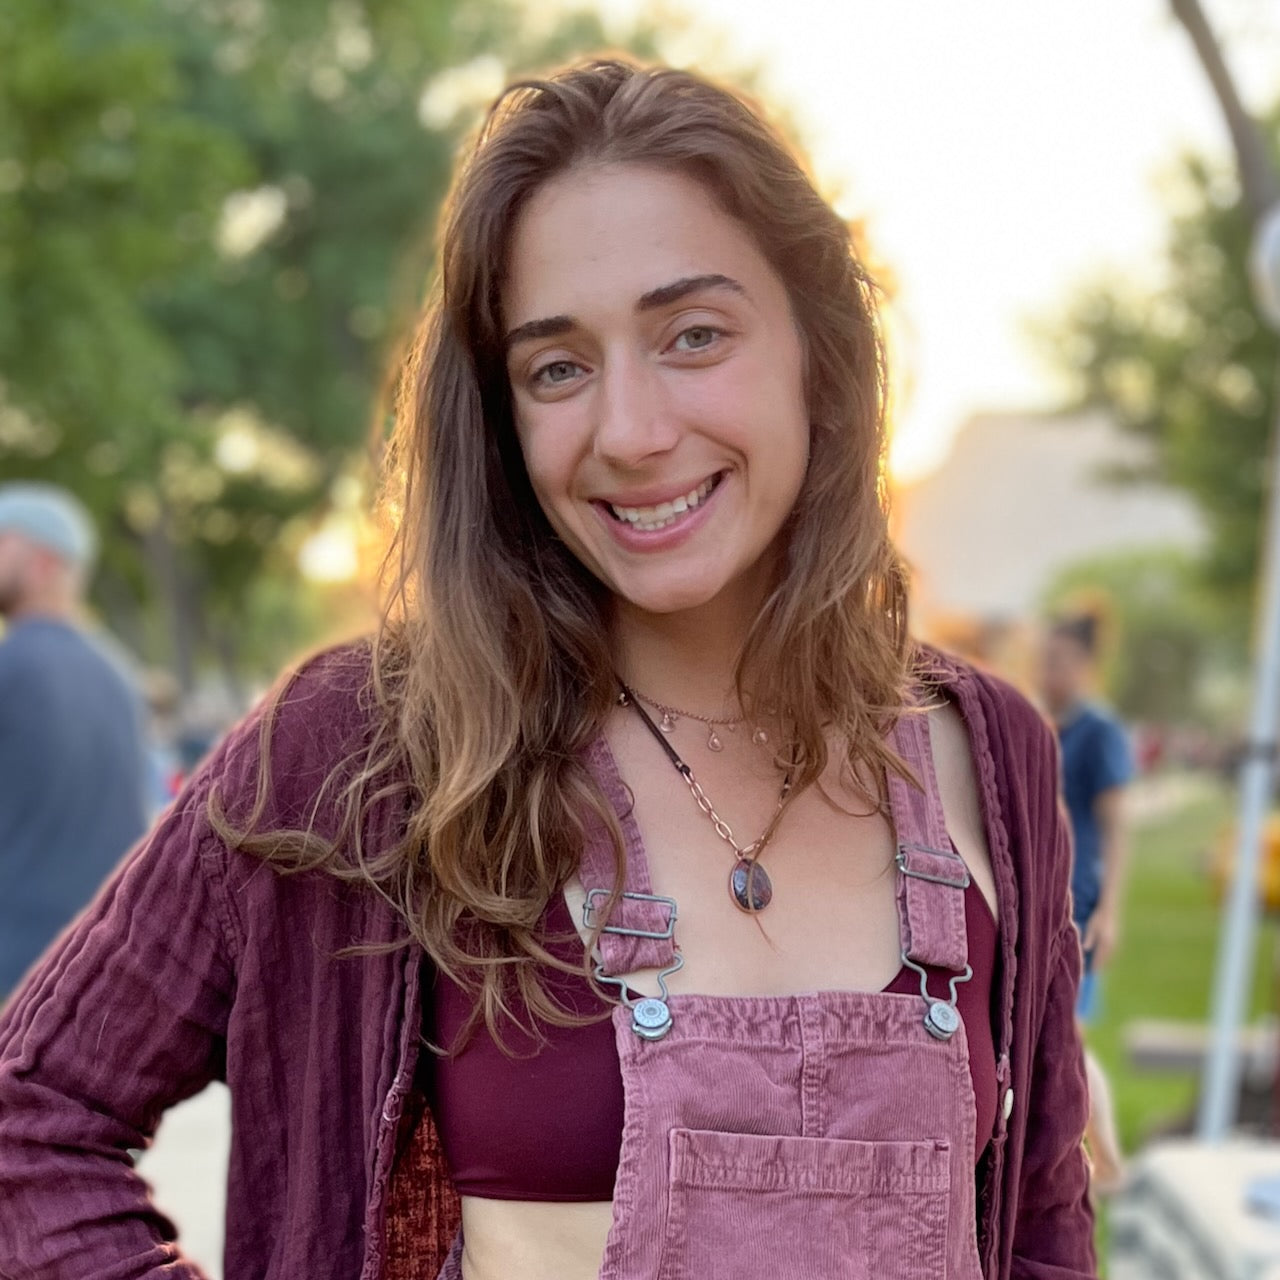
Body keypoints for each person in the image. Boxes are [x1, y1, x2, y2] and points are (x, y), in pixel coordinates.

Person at [0, 60, 1096, 1279]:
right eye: (557, 367)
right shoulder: (367, 749)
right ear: (502, 416)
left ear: (817, 352)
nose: (629, 430)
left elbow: (1041, 1233)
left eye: (693, 334)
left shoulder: (987, 752)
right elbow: (29, 1126)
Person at [0, 482, 149, 998]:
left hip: (15, 967)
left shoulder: (12, 667)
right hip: (95, 974)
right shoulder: (121, 676)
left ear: (43, 562)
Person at [1038, 611, 1135, 1192]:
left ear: (1085, 664)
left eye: (1059, 662)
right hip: (1051, 903)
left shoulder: (1099, 732)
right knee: (1058, 1040)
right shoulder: (1051, 726)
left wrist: (1111, 910)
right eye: (1043, 660)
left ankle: (1110, 1161)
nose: (1047, 672)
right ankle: (1088, 1160)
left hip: (1082, 906)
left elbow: (1117, 825)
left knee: (1068, 1039)